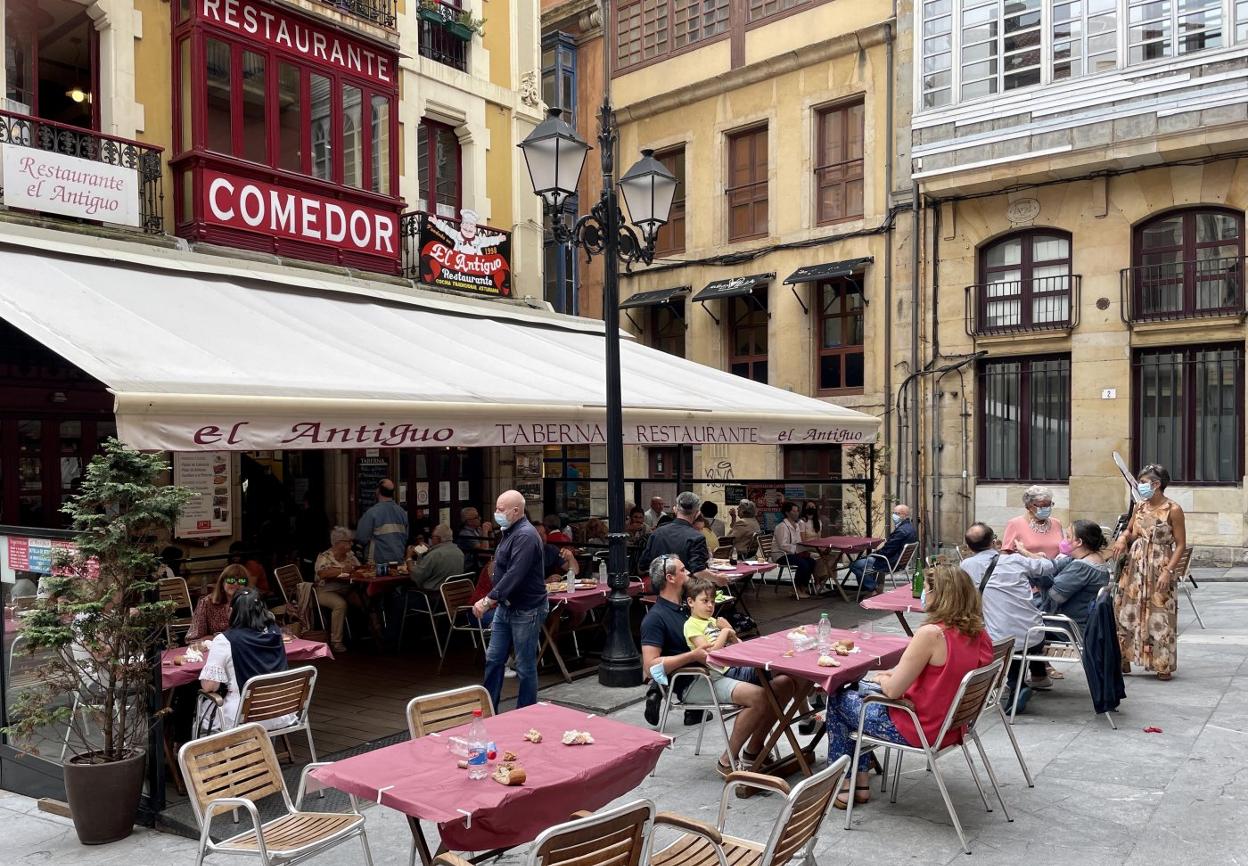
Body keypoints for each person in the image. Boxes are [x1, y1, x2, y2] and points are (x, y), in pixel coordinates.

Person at [826, 564, 992, 808]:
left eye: (925, 589)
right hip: (951, 725)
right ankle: (858, 780)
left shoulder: (931, 634)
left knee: (839, 698)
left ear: (940, 595)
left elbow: (892, 691)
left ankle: (846, 784)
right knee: (854, 696)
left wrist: (881, 679)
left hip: (918, 727)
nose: (922, 595)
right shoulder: (978, 632)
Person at [641, 556, 794, 772]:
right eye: (684, 571)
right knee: (758, 696)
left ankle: (754, 750)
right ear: (670, 578)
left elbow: (716, 641)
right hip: (693, 680)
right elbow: (649, 667)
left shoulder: (689, 606)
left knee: (786, 682)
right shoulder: (656, 617)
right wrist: (692, 656)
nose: (689, 574)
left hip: (718, 670)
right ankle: (727, 760)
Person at [960, 522, 1056, 702]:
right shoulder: (1015, 560)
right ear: (994, 542)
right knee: (1018, 634)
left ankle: (1015, 685)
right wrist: (1025, 551)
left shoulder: (966, 565)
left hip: (1002, 640)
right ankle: (1038, 676)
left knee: (999, 635)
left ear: (968, 547)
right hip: (1035, 634)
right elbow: (1048, 566)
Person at [473, 490, 549, 709]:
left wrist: (488, 600)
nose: (496, 512)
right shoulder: (509, 531)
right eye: (497, 507)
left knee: (524, 667)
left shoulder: (525, 535)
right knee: (494, 659)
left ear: (516, 511)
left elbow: (515, 574)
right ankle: (489, 709)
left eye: (500, 509)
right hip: (507, 607)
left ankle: (526, 712)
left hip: (526, 608)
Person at [1111, 463, 1186, 680]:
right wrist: (1123, 538)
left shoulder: (1173, 509)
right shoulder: (1140, 506)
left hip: (1159, 563)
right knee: (1127, 611)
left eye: (1143, 482)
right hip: (1135, 566)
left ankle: (1162, 663)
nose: (1140, 486)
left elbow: (1180, 544)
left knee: (1160, 613)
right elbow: (1131, 529)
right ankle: (1124, 657)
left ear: (1156, 484)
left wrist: (1168, 571)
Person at [197, 590, 295, 733]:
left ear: (231, 612)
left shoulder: (225, 640)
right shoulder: (275, 632)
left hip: (245, 716)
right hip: (281, 711)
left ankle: (222, 754)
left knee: (202, 708)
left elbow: (209, 687)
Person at [1031, 519, 1111, 634]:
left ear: (1078, 542)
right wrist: (1032, 558)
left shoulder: (1082, 567)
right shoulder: (1093, 559)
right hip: (1077, 624)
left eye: (1068, 537)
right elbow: (1055, 566)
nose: (1064, 540)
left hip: (1066, 629)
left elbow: (1052, 599)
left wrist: (1039, 578)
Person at [639, 491, 712, 577]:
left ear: (675, 509)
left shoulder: (657, 533)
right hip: (686, 588)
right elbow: (698, 572)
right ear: (697, 513)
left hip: (659, 588)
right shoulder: (697, 537)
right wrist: (719, 579)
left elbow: (643, 566)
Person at [313, 526, 362, 653]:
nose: (351, 544)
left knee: (366, 600)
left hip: (346, 589)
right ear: (338, 543)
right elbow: (322, 573)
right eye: (348, 541)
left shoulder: (350, 556)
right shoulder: (325, 556)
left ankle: (373, 633)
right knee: (340, 604)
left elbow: (359, 569)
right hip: (326, 591)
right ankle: (336, 642)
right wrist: (341, 570)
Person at [848, 503, 917, 591]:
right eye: (893, 513)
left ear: (904, 515)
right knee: (865, 561)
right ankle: (872, 588)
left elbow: (887, 551)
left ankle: (873, 588)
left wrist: (873, 554)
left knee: (854, 565)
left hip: (888, 562)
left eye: (896, 513)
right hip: (899, 563)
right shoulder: (910, 528)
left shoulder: (901, 531)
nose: (893, 516)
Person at [187, 564, 253, 642]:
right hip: (215, 649)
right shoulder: (206, 603)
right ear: (222, 582)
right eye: (231, 580)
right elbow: (193, 639)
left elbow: (259, 633)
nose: (236, 584)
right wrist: (218, 638)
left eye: (241, 581)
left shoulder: (252, 603)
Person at [1002, 485, 1064, 559]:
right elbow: (1005, 555)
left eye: (1049, 504)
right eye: (1042, 506)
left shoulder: (1056, 523)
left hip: (1056, 569)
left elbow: (1063, 550)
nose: (1047, 508)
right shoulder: (1015, 524)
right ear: (1029, 506)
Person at [355, 479, 409, 565]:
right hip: (398, 561)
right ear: (393, 493)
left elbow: (361, 537)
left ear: (378, 491)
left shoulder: (372, 513)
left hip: (377, 563)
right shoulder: (402, 512)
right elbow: (406, 537)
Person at [772, 501, 815, 594]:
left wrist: (803, 550)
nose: (797, 513)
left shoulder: (797, 525)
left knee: (811, 561)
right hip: (781, 555)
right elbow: (782, 545)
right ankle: (796, 588)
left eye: (797, 511)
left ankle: (803, 586)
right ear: (787, 513)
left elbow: (798, 541)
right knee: (803, 564)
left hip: (793, 553)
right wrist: (796, 550)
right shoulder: (782, 526)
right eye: (794, 511)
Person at [409, 524, 465, 592]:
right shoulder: (459, 552)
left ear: (438, 538)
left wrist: (408, 557)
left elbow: (415, 576)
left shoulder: (435, 555)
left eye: (432, 537)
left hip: (433, 594)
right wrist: (428, 551)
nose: (431, 539)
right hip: (452, 593)